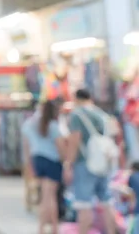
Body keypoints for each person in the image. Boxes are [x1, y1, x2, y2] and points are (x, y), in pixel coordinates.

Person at [64, 89, 117, 234]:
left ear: (76, 98)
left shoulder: (77, 115)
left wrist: (68, 163)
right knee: (107, 202)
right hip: (103, 163)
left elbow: (75, 140)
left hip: (85, 163)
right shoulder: (101, 114)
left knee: (84, 205)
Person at [22, 101, 66, 234]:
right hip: (52, 161)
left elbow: (26, 146)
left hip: (38, 160)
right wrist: (67, 161)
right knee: (50, 196)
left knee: (45, 195)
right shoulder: (53, 126)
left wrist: (29, 164)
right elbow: (60, 146)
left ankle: (47, 227)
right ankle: (51, 227)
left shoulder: (29, 124)